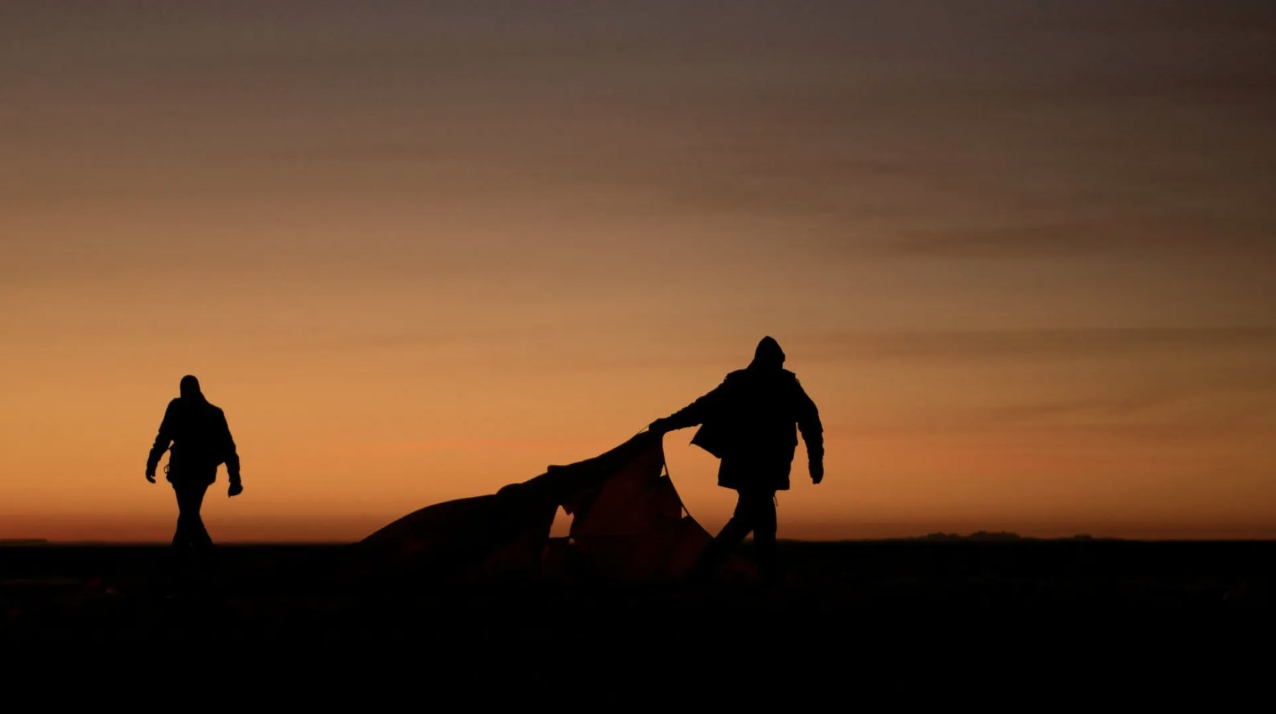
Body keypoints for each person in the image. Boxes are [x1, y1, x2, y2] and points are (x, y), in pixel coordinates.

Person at [649, 336, 823, 584]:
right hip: (749, 467)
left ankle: (737, 574)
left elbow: (810, 422)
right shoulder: (746, 384)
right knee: (752, 521)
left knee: (756, 521)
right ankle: (706, 572)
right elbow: (702, 408)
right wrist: (667, 424)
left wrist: (815, 460)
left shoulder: (783, 386)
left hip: (763, 466)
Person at [145, 375, 242, 553]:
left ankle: (196, 556)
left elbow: (163, 438)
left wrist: (235, 479)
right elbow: (229, 449)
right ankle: (190, 557)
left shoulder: (183, 409)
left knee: (188, 515)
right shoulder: (212, 413)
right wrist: (234, 479)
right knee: (189, 515)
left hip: (190, 473)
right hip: (192, 473)